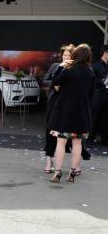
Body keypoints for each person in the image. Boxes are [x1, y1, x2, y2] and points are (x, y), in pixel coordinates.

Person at [49, 43, 95, 183]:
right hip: (82, 114)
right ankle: (72, 172)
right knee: (77, 143)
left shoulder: (68, 70)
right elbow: (91, 94)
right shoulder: (91, 72)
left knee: (61, 142)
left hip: (64, 113)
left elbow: (55, 82)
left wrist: (62, 66)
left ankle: (57, 172)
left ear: (75, 55)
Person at [43, 44, 75, 173]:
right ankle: (48, 160)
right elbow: (45, 80)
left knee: (64, 134)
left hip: (67, 104)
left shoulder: (74, 68)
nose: (66, 57)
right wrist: (54, 85)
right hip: (53, 102)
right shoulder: (56, 66)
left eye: (69, 55)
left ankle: (70, 163)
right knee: (49, 131)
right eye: (64, 55)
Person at [90, 44, 108, 145]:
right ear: (105, 53)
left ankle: (104, 139)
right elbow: (91, 81)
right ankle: (90, 138)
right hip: (97, 95)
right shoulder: (95, 65)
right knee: (94, 116)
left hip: (106, 95)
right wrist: (101, 81)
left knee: (106, 118)